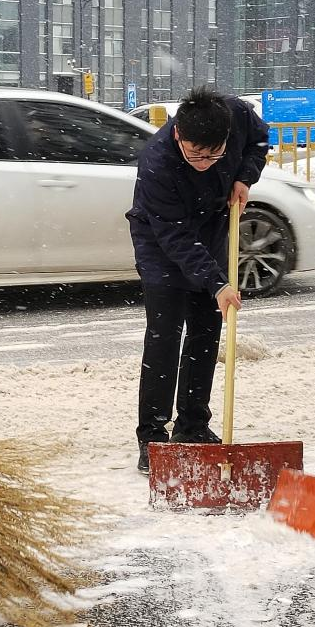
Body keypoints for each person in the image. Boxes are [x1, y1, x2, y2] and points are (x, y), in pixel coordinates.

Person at [127, 86, 270, 474]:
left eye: (215, 154)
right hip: (162, 246)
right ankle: (153, 437)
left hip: (211, 232)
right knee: (164, 339)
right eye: (196, 155)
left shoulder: (237, 116)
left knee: (206, 332)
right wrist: (217, 282)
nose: (205, 162)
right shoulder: (157, 162)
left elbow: (260, 139)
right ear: (178, 136)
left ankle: (193, 425)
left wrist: (244, 176)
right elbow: (174, 236)